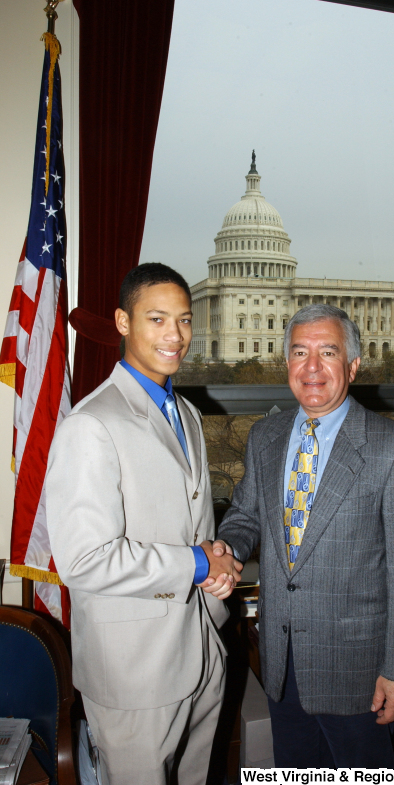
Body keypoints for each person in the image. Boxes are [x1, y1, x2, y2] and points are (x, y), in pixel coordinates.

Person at [214, 303, 394, 769]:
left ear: (352, 366)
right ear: (287, 364)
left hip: (359, 672)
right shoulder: (266, 435)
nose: (312, 367)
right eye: (299, 352)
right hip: (281, 658)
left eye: (328, 352)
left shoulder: (393, 449)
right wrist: (228, 548)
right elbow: (245, 513)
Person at [46, 262, 242, 785]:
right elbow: (84, 560)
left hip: (202, 647)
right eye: (157, 319)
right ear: (122, 322)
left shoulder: (189, 414)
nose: (174, 335)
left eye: (183, 320)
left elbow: (183, 523)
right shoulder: (91, 425)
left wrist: (213, 563)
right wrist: (197, 561)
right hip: (135, 672)